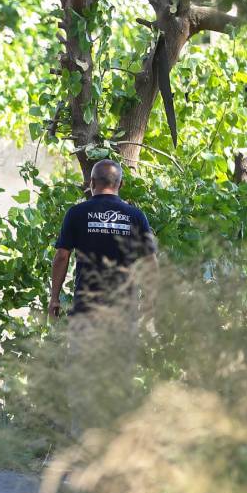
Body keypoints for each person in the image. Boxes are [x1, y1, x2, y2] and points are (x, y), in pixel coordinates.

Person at [48, 159, 157, 436]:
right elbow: (150, 262)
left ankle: (83, 434)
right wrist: (151, 301)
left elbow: (62, 256)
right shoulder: (135, 216)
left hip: (87, 306)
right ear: (120, 184)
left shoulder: (77, 213)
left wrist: (55, 297)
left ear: (91, 184)